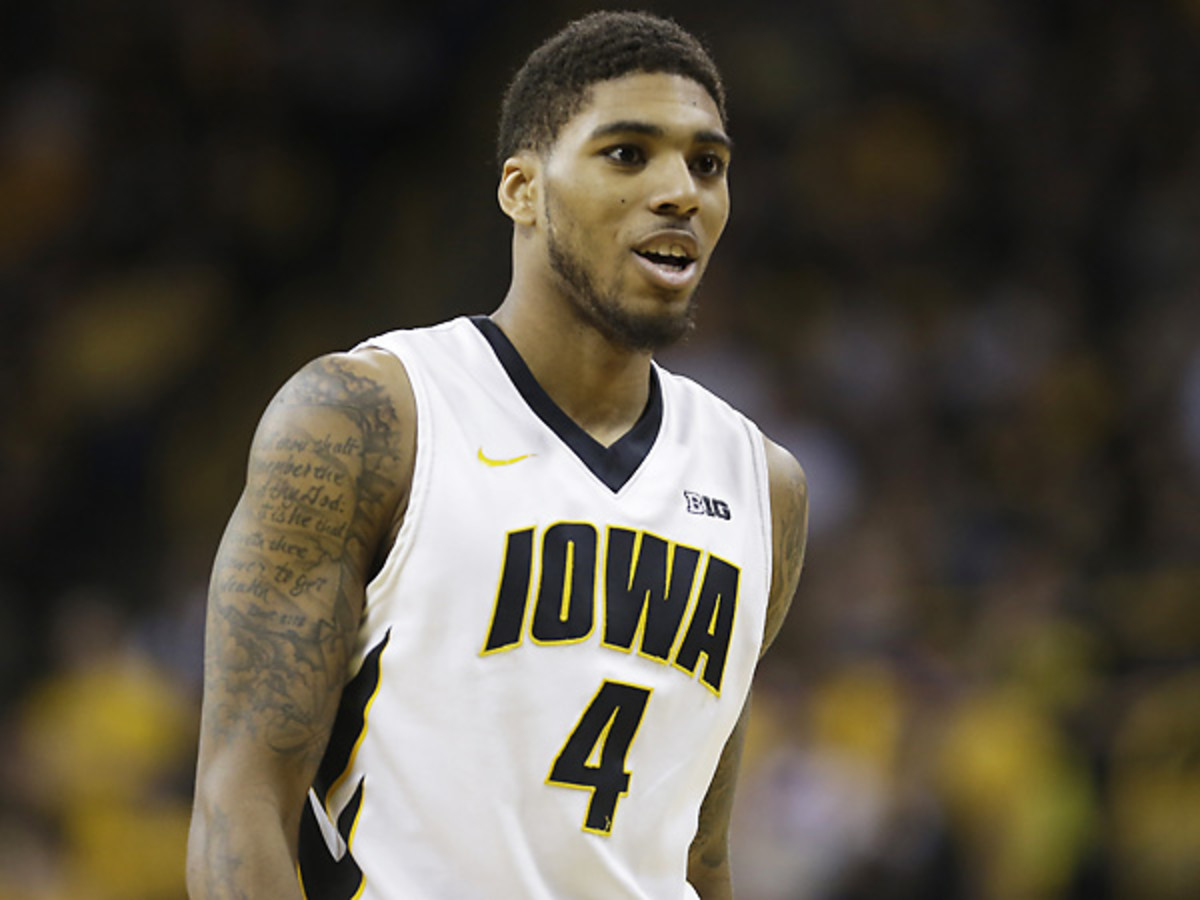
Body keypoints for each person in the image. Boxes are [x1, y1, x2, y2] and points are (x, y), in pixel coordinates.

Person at [186, 10, 808, 899]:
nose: (681, 192)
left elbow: (698, 855)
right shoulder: (369, 416)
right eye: (627, 153)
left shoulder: (764, 487)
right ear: (521, 188)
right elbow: (237, 802)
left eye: (707, 163)